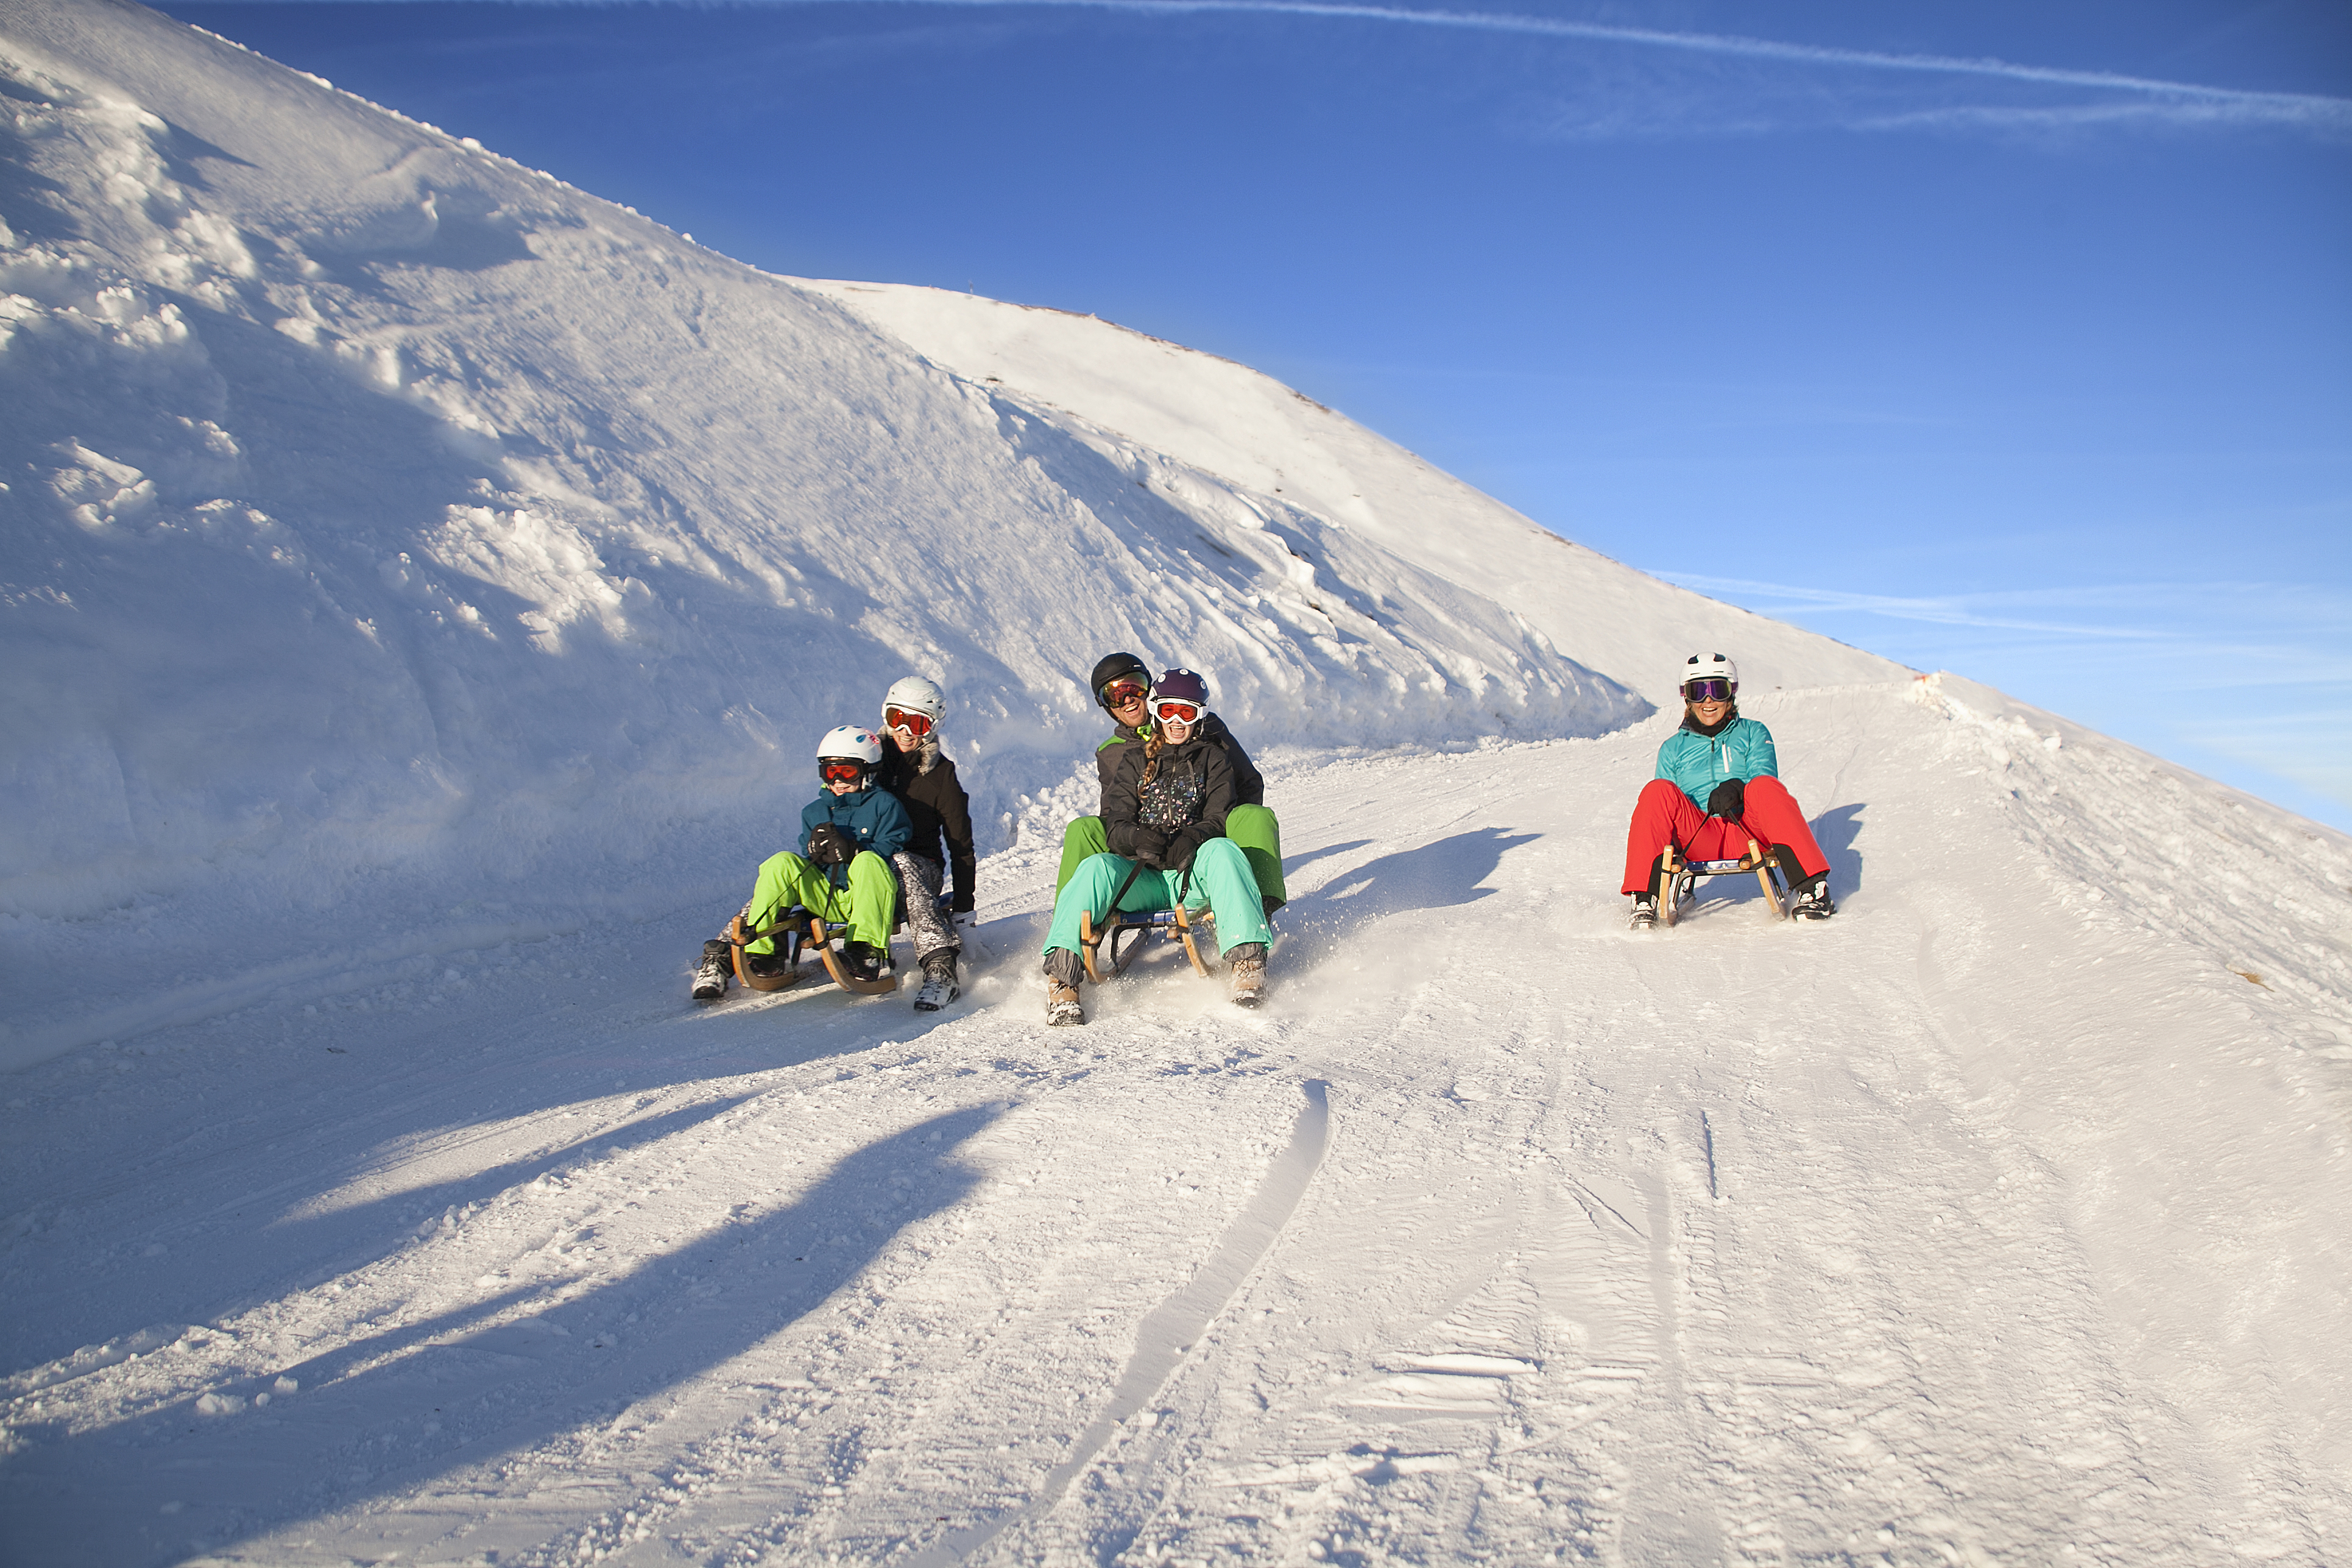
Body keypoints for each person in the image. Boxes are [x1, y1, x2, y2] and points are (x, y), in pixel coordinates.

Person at [1043, 669, 1273, 1023]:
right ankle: (1063, 980)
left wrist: (1194, 838)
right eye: (1168, 712)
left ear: (1200, 716)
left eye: (1187, 713)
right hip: (1143, 878)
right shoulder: (1135, 760)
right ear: (1157, 712)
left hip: (1190, 878)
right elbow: (1115, 822)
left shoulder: (1213, 759)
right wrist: (1136, 838)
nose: (1177, 722)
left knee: (1224, 851)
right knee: (1096, 867)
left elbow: (1218, 816)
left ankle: (1247, 961)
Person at [1056, 651, 1286, 913]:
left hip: (1206, 836)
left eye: (1134, 686)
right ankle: (1071, 922)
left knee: (1254, 816)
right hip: (1146, 847)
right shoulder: (1112, 751)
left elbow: (1248, 782)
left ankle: (1256, 905)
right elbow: (1112, 813)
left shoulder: (1199, 724)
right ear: (1106, 706)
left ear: (1149, 688)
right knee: (1082, 830)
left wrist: (1215, 833)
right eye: (1114, 694)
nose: (1127, 699)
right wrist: (1136, 840)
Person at [691, 726, 911, 998]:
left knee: (869, 861)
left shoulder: (885, 805)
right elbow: (809, 861)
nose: (839, 779)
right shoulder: (814, 811)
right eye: (832, 772)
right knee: (781, 862)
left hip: (865, 895)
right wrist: (816, 852)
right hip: (824, 897)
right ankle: (766, 953)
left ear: (868, 771)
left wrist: (854, 850)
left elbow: (894, 845)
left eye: (848, 771)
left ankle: (865, 953)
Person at [1623, 653, 1835, 929]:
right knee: (1657, 791)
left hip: (1747, 830)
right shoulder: (1672, 749)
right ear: (1686, 698)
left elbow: (1765, 775)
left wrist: (1738, 788)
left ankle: (1813, 889)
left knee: (1765, 788)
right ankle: (1643, 899)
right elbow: (1661, 814)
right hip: (1698, 836)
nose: (1708, 701)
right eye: (1698, 691)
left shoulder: (1753, 733)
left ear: (1731, 693)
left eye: (1717, 690)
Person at [875, 676, 975, 1012]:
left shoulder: (941, 775)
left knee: (902, 861)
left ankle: (941, 968)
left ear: (932, 727)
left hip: (921, 867)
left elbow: (960, 843)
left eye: (917, 722)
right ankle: (731, 949)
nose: (905, 731)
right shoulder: (869, 760)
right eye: (897, 719)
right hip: (871, 865)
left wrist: (963, 906)